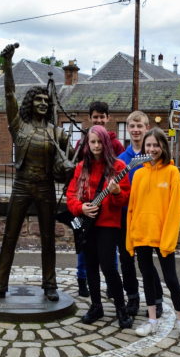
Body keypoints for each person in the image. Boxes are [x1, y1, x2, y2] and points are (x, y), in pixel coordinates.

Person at [0, 43, 73, 303]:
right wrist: (7, 64)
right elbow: (9, 94)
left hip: (45, 188)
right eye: (38, 100)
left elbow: (73, 162)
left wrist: (69, 167)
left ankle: (50, 284)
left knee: (48, 237)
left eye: (46, 100)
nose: (42, 103)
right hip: (20, 186)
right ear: (31, 104)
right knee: (9, 236)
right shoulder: (18, 126)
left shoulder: (57, 133)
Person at [127, 128, 180, 340]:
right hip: (142, 234)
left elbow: (176, 208)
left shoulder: (172, 172)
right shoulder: (138, 173)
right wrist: (131, 237)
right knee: (147, 278)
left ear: (163, 147)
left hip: (162, 235)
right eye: (148, 145)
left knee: (171, 279)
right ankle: (152, 322)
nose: (152, 148)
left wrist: (168, 238)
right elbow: (133, 207)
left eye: (156, 145)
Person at [66, 125, 132, 329]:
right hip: (87, 224)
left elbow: (125, 199)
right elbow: (71, 195)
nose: (95, 146)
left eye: (99, 142)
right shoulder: (81, 168)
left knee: (109, 267)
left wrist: (115, 192)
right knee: (91, 266)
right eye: (92, 142)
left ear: (105, 143)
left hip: (108, 225)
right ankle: (96, 306)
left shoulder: (119, 167)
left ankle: (121, 309)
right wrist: (80, 208)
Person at [74, 101, 125, 298]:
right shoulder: (82, 142)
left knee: (109, 253)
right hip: (87, 205)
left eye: (102, 117)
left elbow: (120, 169)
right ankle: (82, 280)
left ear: (108, 118)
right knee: (84, 248)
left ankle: (112, 286)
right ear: (90, 118)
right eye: (95, 117)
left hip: (108, 209)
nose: (99, 120)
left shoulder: (116, 143)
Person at [117, 111, 165, 319]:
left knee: (146, 263)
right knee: (126, 260)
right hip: (125, 216)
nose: (136, 130)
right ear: (128, 129)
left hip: (147, 217)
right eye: (132, 126)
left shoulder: (152, 156)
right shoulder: (120, 159)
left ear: (147, 128)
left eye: (140, 126)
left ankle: (157, 300)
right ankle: (133, 297)